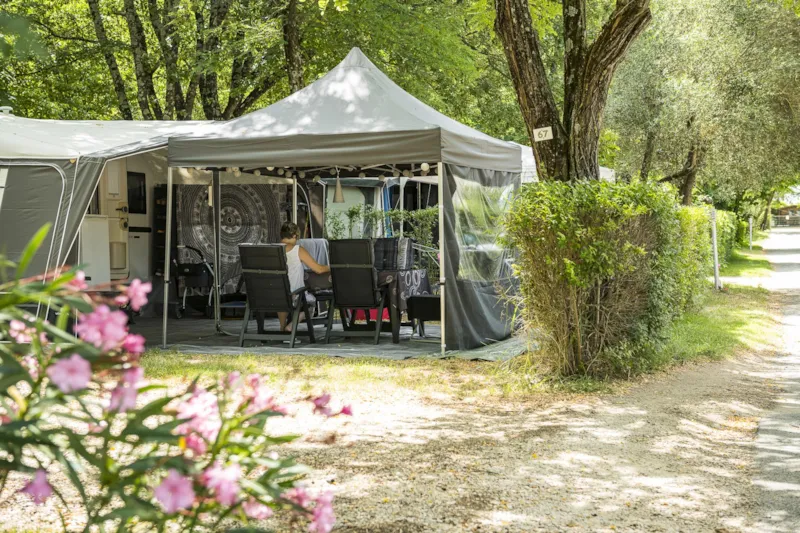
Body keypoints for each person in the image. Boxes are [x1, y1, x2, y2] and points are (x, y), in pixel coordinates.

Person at [277, 222, 330, 332]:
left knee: (281, 296)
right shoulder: (297, 250)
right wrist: (332, 267)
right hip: (294, 294)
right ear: (294, 235)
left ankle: (282, 327)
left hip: (273, 294)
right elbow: (318, 269)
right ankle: (290, 327)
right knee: (310, 303)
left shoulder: (272, 250)